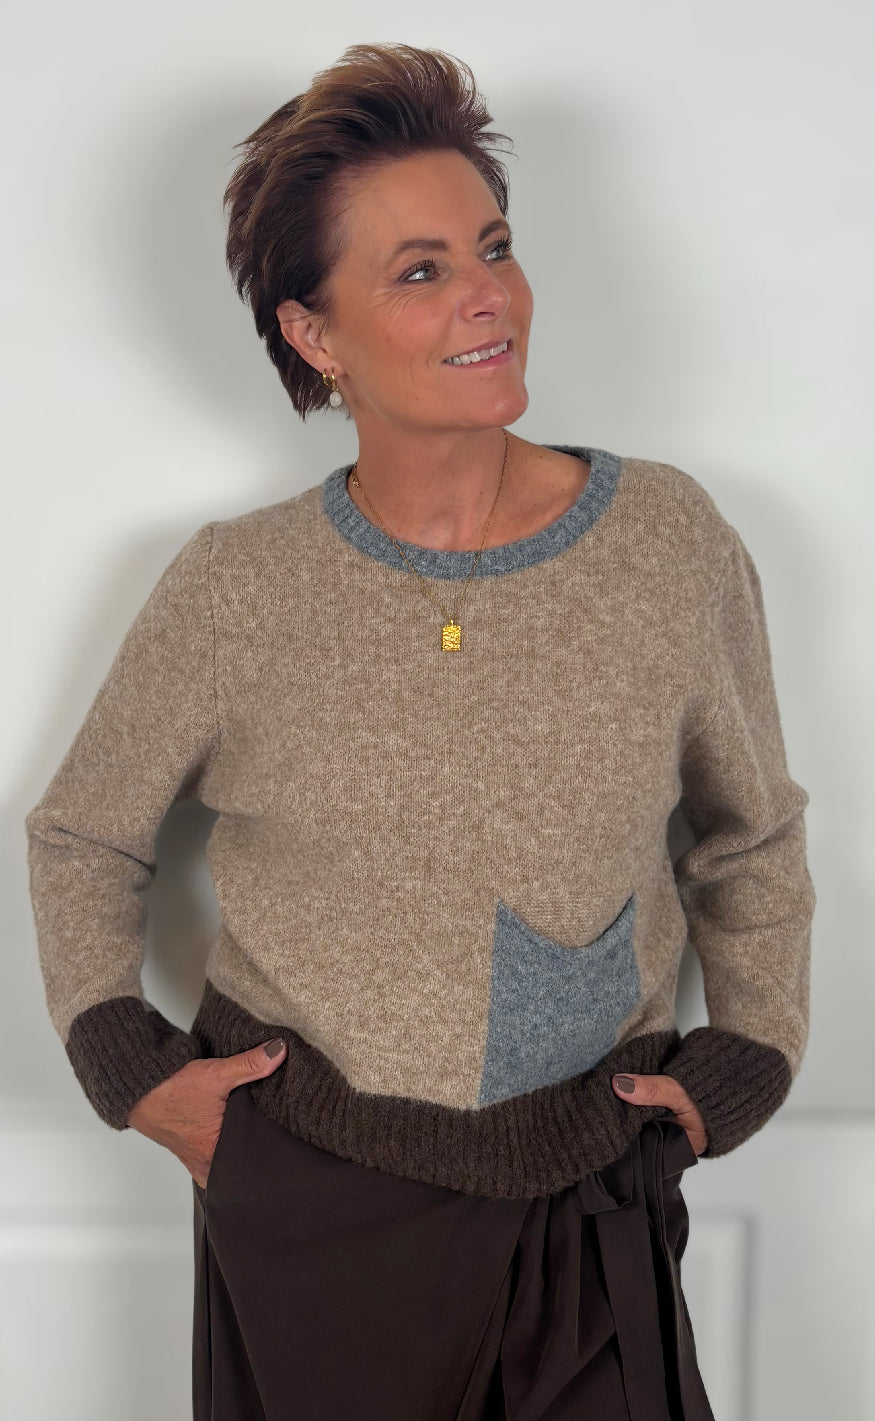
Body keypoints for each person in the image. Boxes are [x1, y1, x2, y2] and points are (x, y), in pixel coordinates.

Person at [24, 41, 815, 1421]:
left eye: (493, 247)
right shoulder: (236, 588)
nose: (487, 296)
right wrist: (139, 1076)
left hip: (589, 1193)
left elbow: (750, 837)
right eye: (420, 271)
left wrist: (749, 1052)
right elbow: (81, 838)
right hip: (306, 1204)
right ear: (315, 336)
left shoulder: (667, 544)